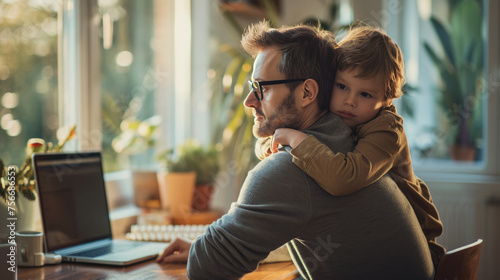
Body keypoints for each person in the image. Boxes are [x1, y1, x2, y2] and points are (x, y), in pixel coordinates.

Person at [157, 21, 434, 280]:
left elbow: (204, 268)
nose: (249, 100)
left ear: (307, 93)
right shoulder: (346, 140)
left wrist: (210, 245)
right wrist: (214, 241)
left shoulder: (293, 168)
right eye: (251, 86)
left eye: (260, 87)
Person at [259, 25, 446, 266]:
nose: (350, 101)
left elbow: (345, 178)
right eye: (342, 86)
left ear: (386, 99)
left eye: (365, 95)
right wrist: (272, 144)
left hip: (412, 244)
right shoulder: (336, 113)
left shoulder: (387, 131)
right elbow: (275, 137)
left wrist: (295, 140)